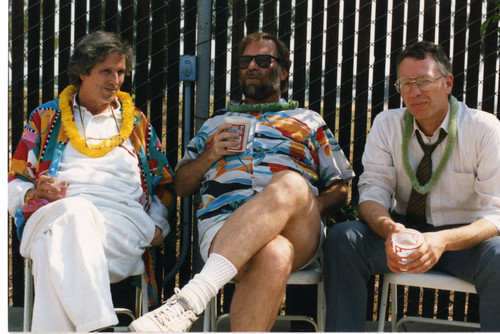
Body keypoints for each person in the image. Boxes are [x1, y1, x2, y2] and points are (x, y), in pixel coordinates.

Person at [129, 31, 354, 332]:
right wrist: (212, 154)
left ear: (283, 70)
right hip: (224, 229)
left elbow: (341, 187)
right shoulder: (216, 124)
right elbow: (181, 186)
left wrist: (305, 202)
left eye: (263, 60)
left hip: (298, 228)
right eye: (246, 61)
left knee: (290, 184)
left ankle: (191, 299)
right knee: (275, 252)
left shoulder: (309, 121)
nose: (252, 67)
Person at [322, 40, 500, 331]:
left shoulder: (483, 128)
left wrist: (440, 241)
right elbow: (371, 193)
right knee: (344, 239)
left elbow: (496, 214)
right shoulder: (386, 124)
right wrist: (390, 230)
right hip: (403, 234)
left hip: (464, 241)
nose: (414, 92)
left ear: (448, 83)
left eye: (424, 81)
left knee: (499, 254)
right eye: (405, 84)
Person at [7, 31, 174, 332]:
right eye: (106, 71)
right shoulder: (46, 118)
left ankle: (96, 326)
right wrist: (33, 190)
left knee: (52, 249)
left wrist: (159, 223)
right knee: (75, 213)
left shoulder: (135, 123)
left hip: (120, 226)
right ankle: (99, 326)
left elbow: (162, 182)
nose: (115, 79)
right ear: (83, 71)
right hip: (51, 212)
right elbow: (12, 183)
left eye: (121, 72)